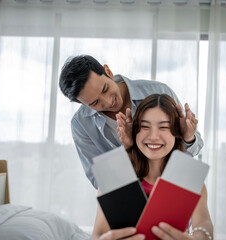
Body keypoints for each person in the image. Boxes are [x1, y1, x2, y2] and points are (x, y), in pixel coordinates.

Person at [59, 55, 203, 189]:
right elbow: (99, 181)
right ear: (82, 103)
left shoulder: (158, 92)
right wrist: (127, 149)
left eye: (105, 89)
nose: (108, 102)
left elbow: (193, 150)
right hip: (126, 200)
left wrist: (188, 137)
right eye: (94, 102)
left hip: (172, 187)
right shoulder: (81, 124)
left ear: (108, 71)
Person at [91, 94, 213, 240]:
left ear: (176, 132)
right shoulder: (114, 179)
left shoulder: (188, 180)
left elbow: (204, 225)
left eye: (164, 127)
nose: (154, 136)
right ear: (135, 131)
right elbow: (97, 234)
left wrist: (198, 237)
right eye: (144, 126)